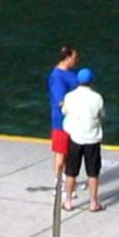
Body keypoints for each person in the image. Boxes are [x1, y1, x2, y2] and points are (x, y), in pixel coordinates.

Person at [61, 68, 105, 212]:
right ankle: (93, 203)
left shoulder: (69, 96)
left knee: (71, 171)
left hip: (75, 138)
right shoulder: (97, 97)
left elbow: (64, 111)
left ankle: (68, 201)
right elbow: (102, 114)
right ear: (91, 81)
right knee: (93, 172)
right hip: (92, 139)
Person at [47, 46, 80, 179]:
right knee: (60, 152)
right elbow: (60, 100)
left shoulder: (70, 74)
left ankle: (69, 181)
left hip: (73, 119)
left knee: (70, 152)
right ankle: (59, 182)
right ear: (67, 57)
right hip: (62, 120)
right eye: (75, 57)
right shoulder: (57, 76)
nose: (77, 60)